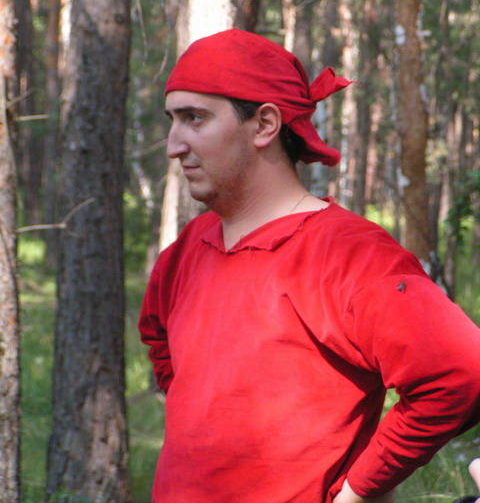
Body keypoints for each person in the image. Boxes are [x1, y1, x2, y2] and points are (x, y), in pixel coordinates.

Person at [138, 29, 480, 503]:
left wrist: (357, 490)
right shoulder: (186, 251)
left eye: (194, 118)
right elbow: (160, 343)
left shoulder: (350, 256)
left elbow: (459, 374)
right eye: (173, 120)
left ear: (264, 124)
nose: (174, 145)